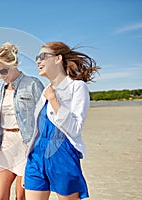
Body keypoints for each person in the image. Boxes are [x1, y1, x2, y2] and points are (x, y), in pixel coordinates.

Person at [24, 42, 101, 200]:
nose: (37, 61)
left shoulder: (77, 87)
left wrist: (53, 99)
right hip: (36, 155)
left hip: (62, 153)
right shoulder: (45, 90)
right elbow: (39, 126)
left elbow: (75, 128)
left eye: (42, 57)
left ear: (58, 58)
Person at [0, 42, 44, 200]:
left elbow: (44, 117)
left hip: (26, 145)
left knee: (20, 197)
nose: (1, 75)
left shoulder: (33, 84)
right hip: (6, 144)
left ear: (14, 64)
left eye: (4, 70)